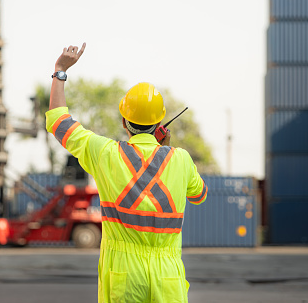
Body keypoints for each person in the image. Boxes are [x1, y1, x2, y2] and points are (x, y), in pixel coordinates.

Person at [46, 43, 208, 303]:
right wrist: (164, 151)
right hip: (168, 278)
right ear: (160, 123)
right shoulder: (181, 159)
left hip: (123, 276)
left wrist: (60, 71)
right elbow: (199, 195)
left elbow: (58, 122)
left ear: (124, 121)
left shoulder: (105, 154)